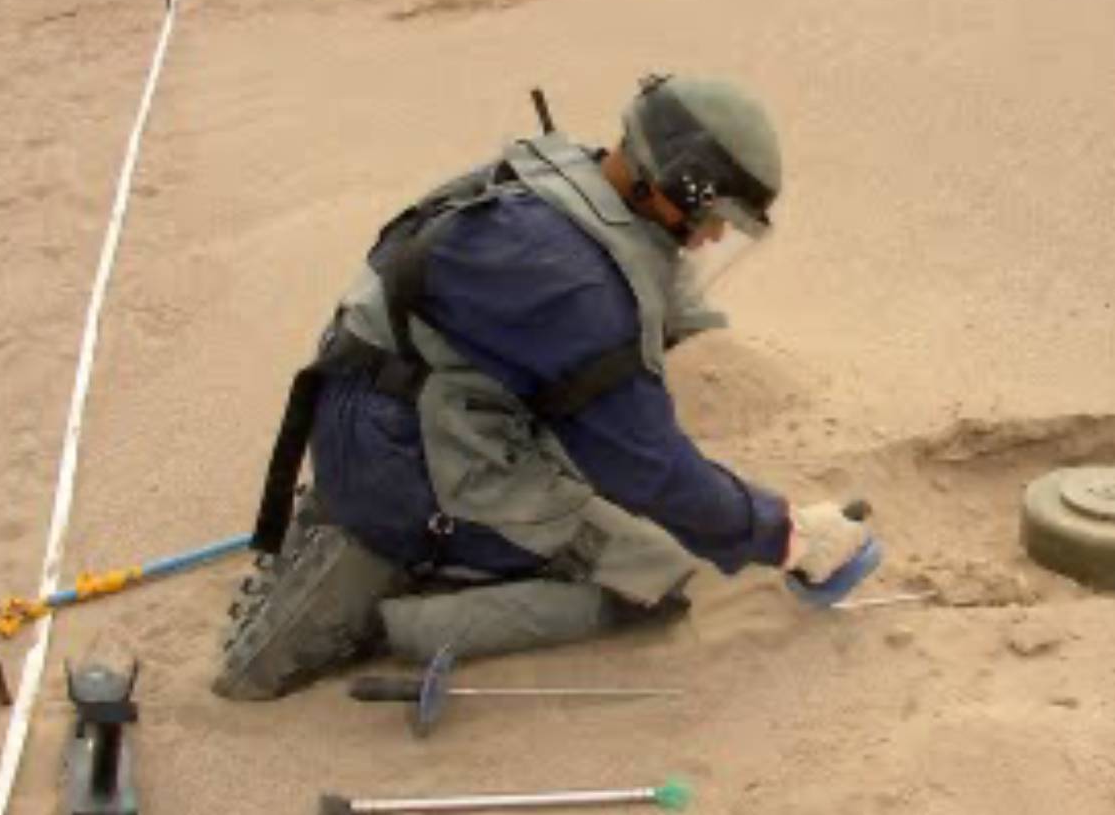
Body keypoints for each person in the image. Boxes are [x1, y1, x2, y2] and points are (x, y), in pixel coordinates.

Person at [213, 73, 881, 701]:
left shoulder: (558, 173)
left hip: (376, 410)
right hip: (409, 468)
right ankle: (401, 617)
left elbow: (632, 300)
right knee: (654, 570)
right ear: (678, 185)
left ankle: (398, 531)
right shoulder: (578, 288)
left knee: (616, 484)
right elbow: (650, 470)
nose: (711, 239)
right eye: (714, 219)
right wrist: (788, 536)